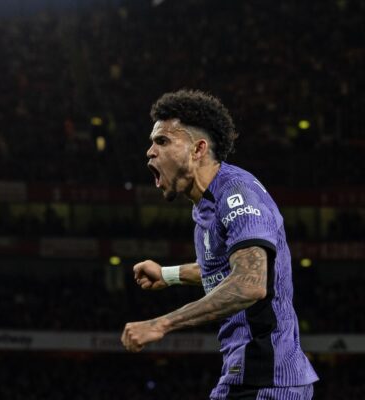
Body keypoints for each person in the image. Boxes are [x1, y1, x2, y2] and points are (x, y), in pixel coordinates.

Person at [121, 90, 319, 399]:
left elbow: (250, 283)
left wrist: (162, 324)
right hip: (252, 375)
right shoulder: (205, 205)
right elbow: (222, 268)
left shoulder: (237, 195)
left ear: (198, 149)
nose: (149, 151)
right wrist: (168, 274)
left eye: (162, 141)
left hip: (266, 379)